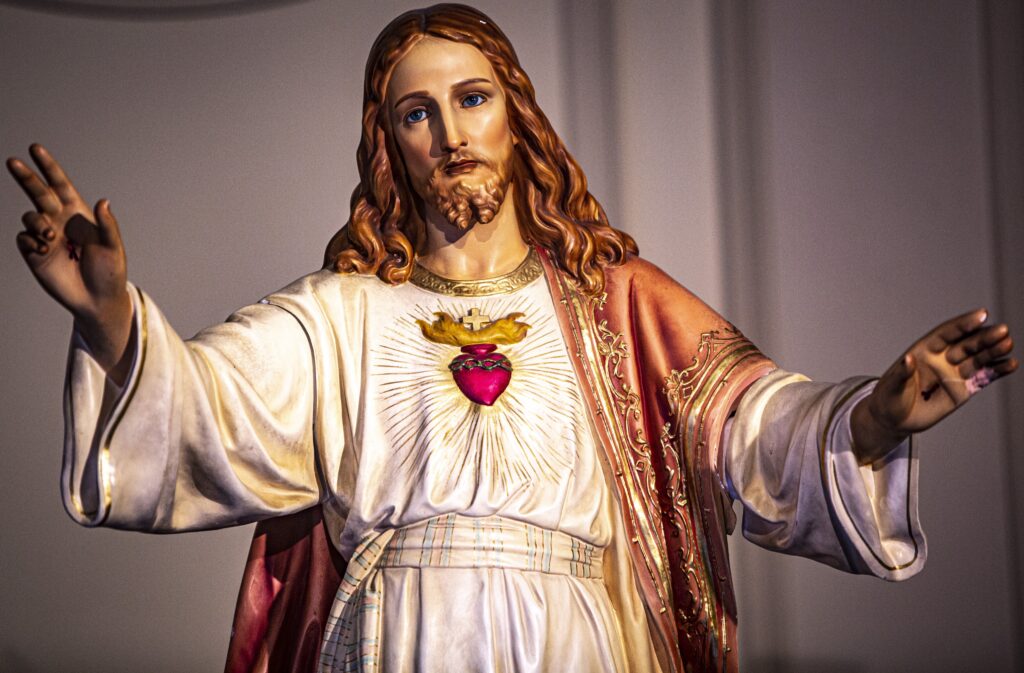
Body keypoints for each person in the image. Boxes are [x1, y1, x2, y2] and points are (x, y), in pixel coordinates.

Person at [7, 4, 1017, 673]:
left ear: (514, 118)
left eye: (471, 98)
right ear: (388, 144)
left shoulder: (617, 306)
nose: (449, 129)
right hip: (397, 638)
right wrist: (108, 316)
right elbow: (199, 415)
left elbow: (750, 426)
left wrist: (875, 419)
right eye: (416, 111)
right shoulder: (337, 315)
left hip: (575, 635)